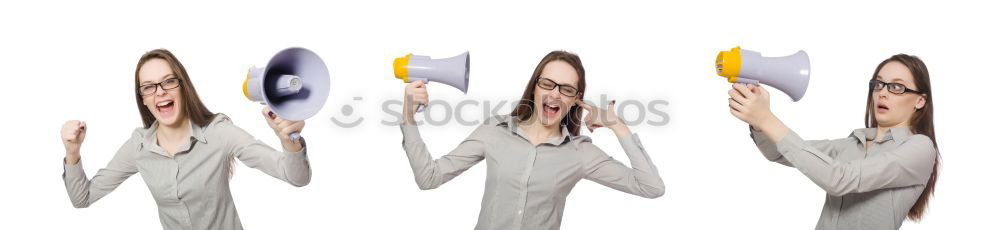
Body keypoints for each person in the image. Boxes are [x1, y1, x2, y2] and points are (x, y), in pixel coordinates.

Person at [399, 50, 665, 230]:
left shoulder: (580, 153)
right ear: (535, 86)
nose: (555, 94)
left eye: (567, 89)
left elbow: (651, 187)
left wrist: (616, 125)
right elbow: (429, 178)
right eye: (547, 83)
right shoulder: (495, 129)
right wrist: (408, 116)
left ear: (576, 99)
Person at [60, 49, 311, 229]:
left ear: (183, 86)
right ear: (143, 98)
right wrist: (73, 152)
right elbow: (83, 198)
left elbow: (296, 177)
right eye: (149, 87)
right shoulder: (138, 146)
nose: (160, 92)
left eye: (169, 81)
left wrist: (289, 140)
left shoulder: (219, 132)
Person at [728, 54, 939, 229]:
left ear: (920, 100)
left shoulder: (920, 148)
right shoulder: (851, 143)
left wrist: (766, 118)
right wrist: (758, 122)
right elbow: (779, 152)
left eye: (896, 87)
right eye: (879, 84)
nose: (882, 92)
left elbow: (839, 179)